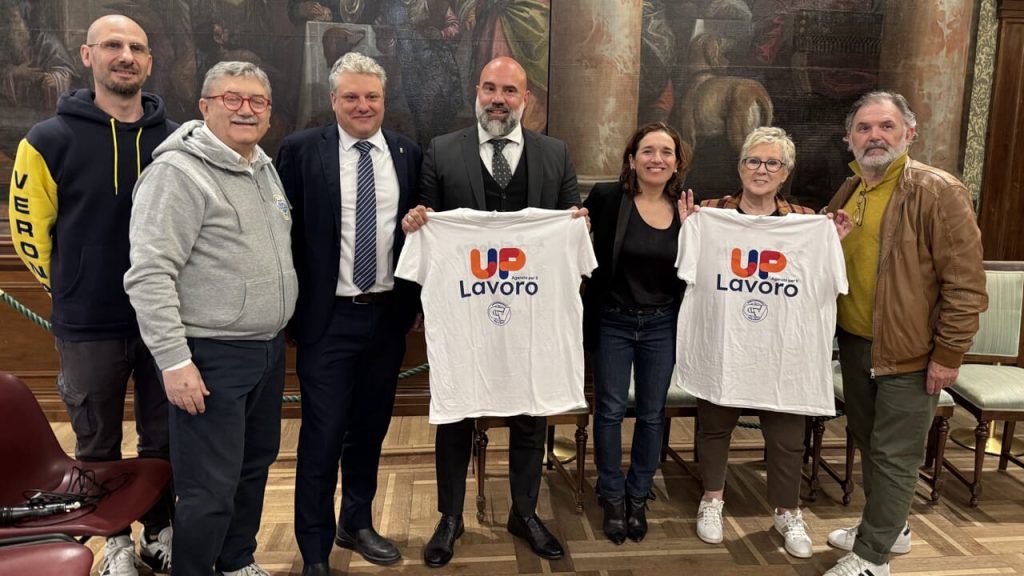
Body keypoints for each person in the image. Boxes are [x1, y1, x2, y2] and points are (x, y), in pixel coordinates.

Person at [8, 14, 175, 576]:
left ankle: (159, 531)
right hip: (88, 324)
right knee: (95, 440)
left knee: (163, 435)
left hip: (165, 321)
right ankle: (114, 542)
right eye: (112, 45)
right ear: (87, 55)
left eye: (136, 47)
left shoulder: (176, 139)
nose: (125, 55)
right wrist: (71, 286)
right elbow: (30, 232)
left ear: (149, 61)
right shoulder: (47, 140)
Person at [402, 56, 582, 568]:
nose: (498, 99)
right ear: (476, 93)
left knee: (530, 412)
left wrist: (577, 225)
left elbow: (569, 219)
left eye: (509, 90)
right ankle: (450, 516)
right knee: (457, 412)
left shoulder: (555, 153)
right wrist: (418, 221)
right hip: (465, 312)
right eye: (489, 88)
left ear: (526, 99)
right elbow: (428, 221)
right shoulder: (442, 150)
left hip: (530, 313)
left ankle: (524, 512)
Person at [124, 61, 297, 576]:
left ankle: (236, 560)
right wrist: (174, 361)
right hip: (210, 355)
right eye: (232, 98)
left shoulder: (263, 167)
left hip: (266, 350)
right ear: (204, 107)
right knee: (208, 488)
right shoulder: (176, 174)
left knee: (253, 466)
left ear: (269, 112)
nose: (246, 110)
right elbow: (149, 274)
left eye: (257, 101)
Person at [821, 91, 987, 576]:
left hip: (911, 351)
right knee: (871, 443)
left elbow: (966, 284)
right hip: (857, 344)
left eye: (886, 126)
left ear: (909, 134)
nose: (875, 136)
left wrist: (949, 354)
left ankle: (873, 558)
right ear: (849, 139)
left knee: (896, 454)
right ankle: (891, 528)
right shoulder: (850, 189)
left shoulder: (938, 192)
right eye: (864, 128)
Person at [275, 52, 421, 576]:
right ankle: (314, 550)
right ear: (333, 100)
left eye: (372, 96)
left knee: (370, 428)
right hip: (327, 320)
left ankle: (356, 523)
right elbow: (282, 233)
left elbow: (419, 231)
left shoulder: (406, 153)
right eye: (352, 96)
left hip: (386, 317)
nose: (363, 105)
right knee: (322, 434)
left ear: (384, 100)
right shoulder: (299, 151)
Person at [691, 126, 852, 560]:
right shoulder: (710, 213)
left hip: (784, 351)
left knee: (787, 435)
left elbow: (828, 281)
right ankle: (712, 499)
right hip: (724, 343)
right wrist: (688, 229)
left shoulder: (807, 222)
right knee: (714, 425)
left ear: (785, 173)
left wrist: (830, 244)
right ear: (740, 166)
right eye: (753, 161)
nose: (761, 170)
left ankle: (787, 510)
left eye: (772, 163)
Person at [582, 122, 691, 544]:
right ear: (632, 159)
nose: (656, 159)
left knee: (651, 414)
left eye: (666, 152)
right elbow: (574, 241)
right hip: (613, 320)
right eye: (648, 151)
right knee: (610, 411)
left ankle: (638, 494)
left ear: (676, 163)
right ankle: (611, 494)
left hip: (662, 324)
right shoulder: (607, 198)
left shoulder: (687, 208)